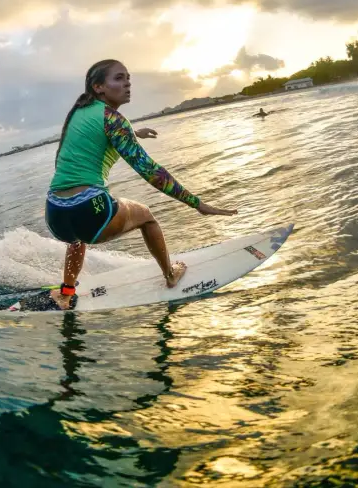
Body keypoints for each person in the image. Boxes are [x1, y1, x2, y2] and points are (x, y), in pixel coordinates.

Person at [45, 59, 238, 310]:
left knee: (77, 238)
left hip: (56, 215)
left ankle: (67, 292)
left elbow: (94, 135)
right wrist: (197, 203)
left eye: (128, 78)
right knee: (146, 217)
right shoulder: (113, 120)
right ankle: (170, 275)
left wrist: (133, 133)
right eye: (119, 78)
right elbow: (150, 171)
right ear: (99, 87)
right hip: (90, 211)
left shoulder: (78, 113)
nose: (127, 84)